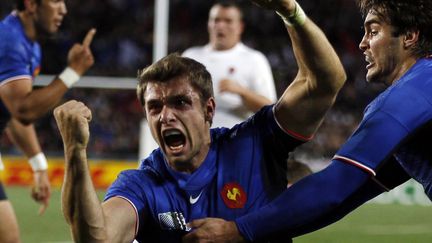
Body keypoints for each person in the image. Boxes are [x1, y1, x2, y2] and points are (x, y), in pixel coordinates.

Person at [53, 0, 346, 241]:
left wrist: (291, 12)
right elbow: (96, 239)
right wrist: (75, 151)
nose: (166, 116)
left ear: (209, 109)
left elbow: (325, 82)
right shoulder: (142, 184)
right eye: (154, 106)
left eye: (180, 102)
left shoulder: (254, 142)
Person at [184, 0, 432, 241]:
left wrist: (238, 230)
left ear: (409, 36)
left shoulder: (409, 95)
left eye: (373, 32)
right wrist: (253, 229)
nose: (362, 43)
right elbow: (348, 195)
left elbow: (335, 186)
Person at [0, 0, 95, 242]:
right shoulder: (9, 39)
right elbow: (23, 109)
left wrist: (38, 165)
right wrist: (72, 72)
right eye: (55, 1)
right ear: (31, 4)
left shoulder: (28, 44)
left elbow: (12, 112)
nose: (63, 9)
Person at [183, 1, 277, 128]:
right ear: (209, 24)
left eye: (228, 21)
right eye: (216, 20)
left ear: (240, 27)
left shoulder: (254, 59)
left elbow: (270, 109)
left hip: (237, 141)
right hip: (197, 141)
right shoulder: (191, 56)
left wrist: (242, 92)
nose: (221, 26)